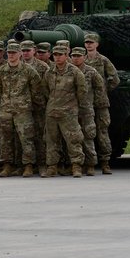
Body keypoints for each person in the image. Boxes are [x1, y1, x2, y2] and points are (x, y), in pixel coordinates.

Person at [0, 41, 40, 177]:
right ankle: (7, 165)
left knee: (26, 138)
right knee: (4, 138)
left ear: (20, 54)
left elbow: (36, 89)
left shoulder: (28, 71)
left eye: (14, 53)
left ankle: (28, 165)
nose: (11, 55)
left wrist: (25, 102)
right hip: (5, 110)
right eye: (9, 53)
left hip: (23, 110)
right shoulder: (1, 71)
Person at [42, 43, 87, 177]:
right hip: (52, 111)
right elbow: (45, 90)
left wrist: (72, 105)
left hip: (69, 112)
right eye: (55, 55)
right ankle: (52, 166)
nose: (57, 57)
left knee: (73, 139)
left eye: (60, 54)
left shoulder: (74, 72)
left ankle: (76, 166)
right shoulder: (49, 72)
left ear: (66, 56)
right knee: (51, 140)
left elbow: (82, 91)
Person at [84, 32, 119, 173]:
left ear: (97, 44)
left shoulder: (103, 60)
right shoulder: (82, 60)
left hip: (101, 103)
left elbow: (114, 78)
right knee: (88, 132)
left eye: (91, 42)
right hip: (86, 102)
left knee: (102, 132)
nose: (89, 45)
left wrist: (103, 90)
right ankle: (90, 162)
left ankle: (105, 162)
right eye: (87, 42)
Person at [71, 47, 102, 175]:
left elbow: (100, 87)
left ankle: (90, 164)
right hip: (70, 109)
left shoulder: (91, 71)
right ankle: (75, 164)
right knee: (73, 138)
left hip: (86, 109)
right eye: (74, 56)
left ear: (84, 57)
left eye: (79, 56)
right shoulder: (68, 71)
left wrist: (94, 102)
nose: (76, 58)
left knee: (88, 136)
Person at [21, 40, 50, 172]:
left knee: (40, 136)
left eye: (28, 50)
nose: (25, 53)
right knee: (22, 136)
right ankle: (24, 165)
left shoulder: (43, 67)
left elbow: (48, 87)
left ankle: (42, 164)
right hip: (21, 107)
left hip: (38, 107)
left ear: (34, 50)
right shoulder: (16, 66)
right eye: (23, 50)